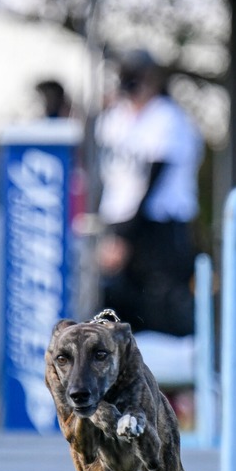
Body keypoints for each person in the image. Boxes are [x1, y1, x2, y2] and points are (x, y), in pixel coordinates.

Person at [94, 49, 203, 337]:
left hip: (158, 228)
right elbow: (110, 181)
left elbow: (153, 182)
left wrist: (123, 238)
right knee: (120, 314)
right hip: (121, 224)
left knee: (162, 310)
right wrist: (110, 233)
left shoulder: (167, 118)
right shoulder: (115, 119)